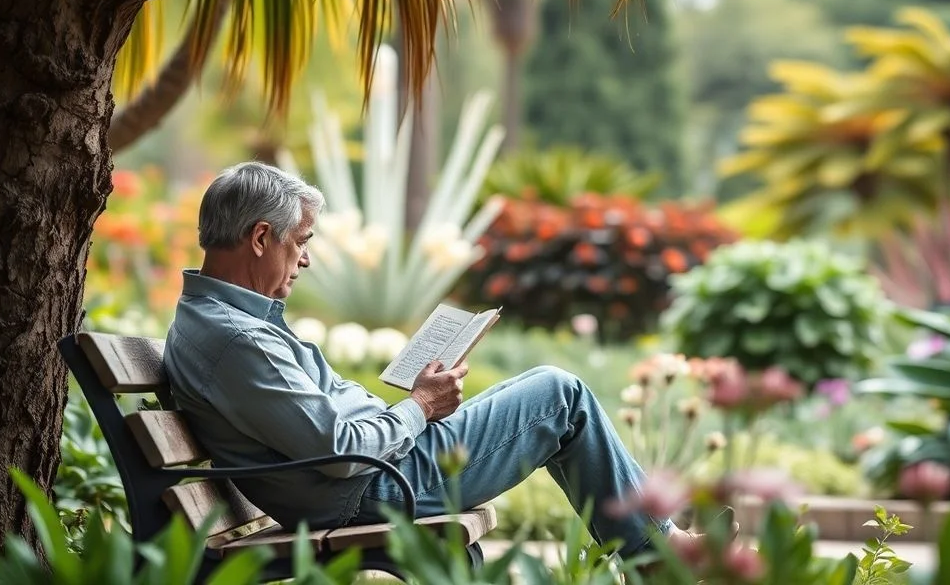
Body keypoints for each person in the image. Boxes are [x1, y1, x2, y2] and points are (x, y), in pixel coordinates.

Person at [163, 161, 719, 559]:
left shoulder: (223, 320)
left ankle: (658, 553)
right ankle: (660, 560)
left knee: (544, 388)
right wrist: (418, 409)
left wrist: (409, 409)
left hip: (375, 471)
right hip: (372, 489)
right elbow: (336, 452)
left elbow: (323, 430)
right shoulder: (238, 338)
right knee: (559, 394)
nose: (305, 258)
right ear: (261, 237)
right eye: (300, 241)